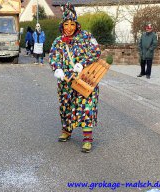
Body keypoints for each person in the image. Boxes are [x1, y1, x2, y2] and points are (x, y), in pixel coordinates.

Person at [49, 2, 101, 153]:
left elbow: (96, 51)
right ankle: (67, 131)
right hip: (66, 82)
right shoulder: (58, 41)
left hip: (84, 79)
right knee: (66, 107)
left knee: (86, 107)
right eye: (66, 24)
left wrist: (82, 64)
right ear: (62, 25)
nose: (69, 27)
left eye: (72, 24)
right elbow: (53, 57)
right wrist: (57, 68)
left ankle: (87, 139)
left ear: (77, 24)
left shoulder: (87, 37)